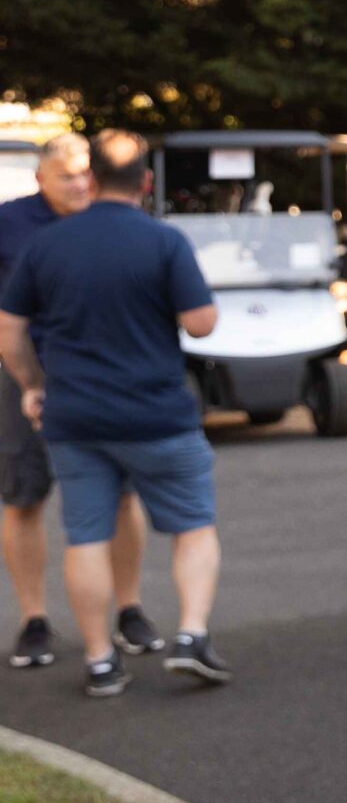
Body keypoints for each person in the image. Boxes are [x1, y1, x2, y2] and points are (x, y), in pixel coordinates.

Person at [0, 131, 228, 698]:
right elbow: (201, 323)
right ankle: (190, 637)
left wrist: (33, 386)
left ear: (94, 179)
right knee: (192, 525)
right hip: (155, 413)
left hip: (72, 413)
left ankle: (101, 660)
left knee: (85, 534)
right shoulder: (163, 240)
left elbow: (9, 328)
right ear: (146, 183)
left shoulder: (45, 246)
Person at [0, 134, 159, 673]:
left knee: (121, 496)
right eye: (65, 176)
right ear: (39, 178)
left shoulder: (114, 218)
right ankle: (34, 620)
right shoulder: (10, 223)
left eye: (83, 174)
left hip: (103, 376)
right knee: (24, 497)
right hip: (27, 377)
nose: (77, 184)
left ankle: (129, 609)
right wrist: (23, 373)